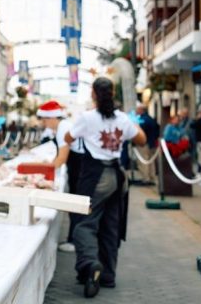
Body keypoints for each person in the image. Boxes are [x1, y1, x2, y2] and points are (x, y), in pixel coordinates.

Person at [65, 77, 146, 298]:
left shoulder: (87, 118)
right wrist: (131, 123)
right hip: (117, 176)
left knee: (84, 223)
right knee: (111, 226)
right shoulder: (122, 119)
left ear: (93, 94)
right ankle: (108, 275)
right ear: (112, 93)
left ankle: (90, 264)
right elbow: (142, 139)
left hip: (95, 176)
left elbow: (68, 137)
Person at [37, 100, 84, 253]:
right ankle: (75, 239)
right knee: (76, 202)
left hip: (80, 166)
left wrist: (45, 171)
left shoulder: (63, 128)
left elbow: (62, 158)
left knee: (76, 202)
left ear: (51, 118)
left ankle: (74, 241)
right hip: (78, 165)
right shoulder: (64, 125)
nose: (44, 124)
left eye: (44, 120)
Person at [136, 104, 159, 185]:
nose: (136, 111)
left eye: (137, 109)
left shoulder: (142, 120)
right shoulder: (151, 119)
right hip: (152, 143)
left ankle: (146, 178)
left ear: (141, 110)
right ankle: (152, 177)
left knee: (144, 161)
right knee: (151, 162)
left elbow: (139, 132)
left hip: (144, 144)